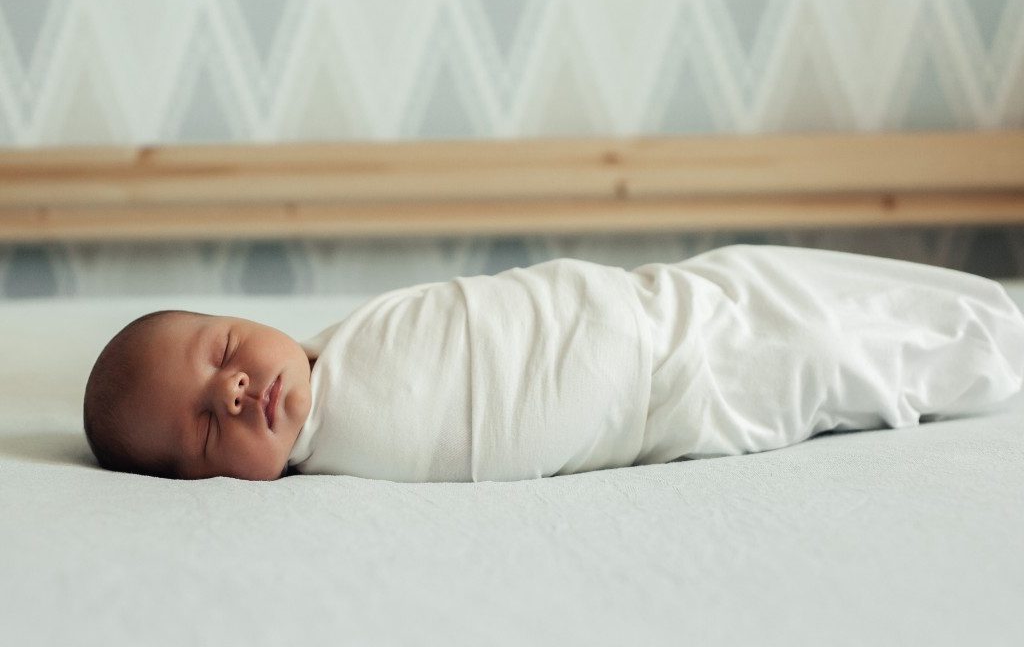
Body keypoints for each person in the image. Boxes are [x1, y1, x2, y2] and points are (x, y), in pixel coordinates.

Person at [83, 244, 1024, 482]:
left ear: (244, 318)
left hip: (656, 308)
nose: (237, 390)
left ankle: (1000, 321)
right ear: (204, 485)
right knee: (833, 360)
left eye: (221, 352)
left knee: (813, 293)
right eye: (206, 428)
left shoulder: (349, 340)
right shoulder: (337, 464)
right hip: (673, 403)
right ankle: (988, 357)